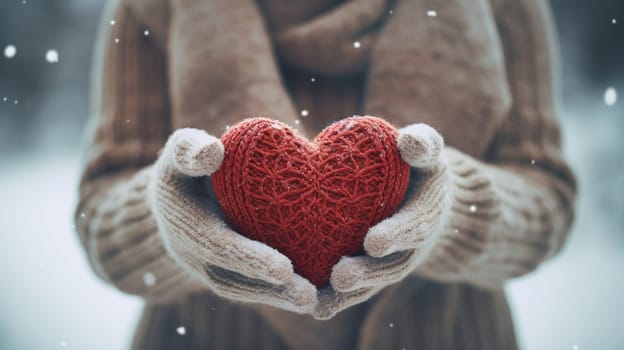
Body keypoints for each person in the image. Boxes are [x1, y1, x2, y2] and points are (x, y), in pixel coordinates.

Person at [74, 0, 577, 348]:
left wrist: (453, 213)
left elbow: (549, 200)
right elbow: (99, 216)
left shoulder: (500, 6)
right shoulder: (153, 7)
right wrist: (166, 221)